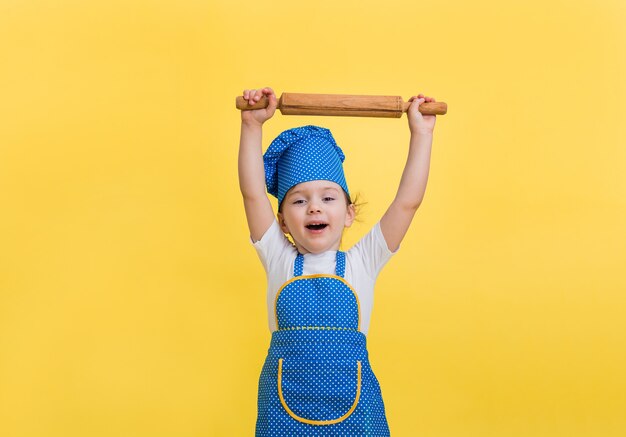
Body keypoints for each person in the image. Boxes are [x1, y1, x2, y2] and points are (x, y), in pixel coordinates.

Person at [238, 86, 436, 436]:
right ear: (281, 221)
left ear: (348, 213)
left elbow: (407, 203)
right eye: (299, 201)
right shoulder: (277, 256)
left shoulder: (364, 261)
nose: (314, 207)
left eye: (327, 198)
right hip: (282, 412)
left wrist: (422, 134)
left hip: (355, 413)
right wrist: (252, 126)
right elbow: (253, 193)